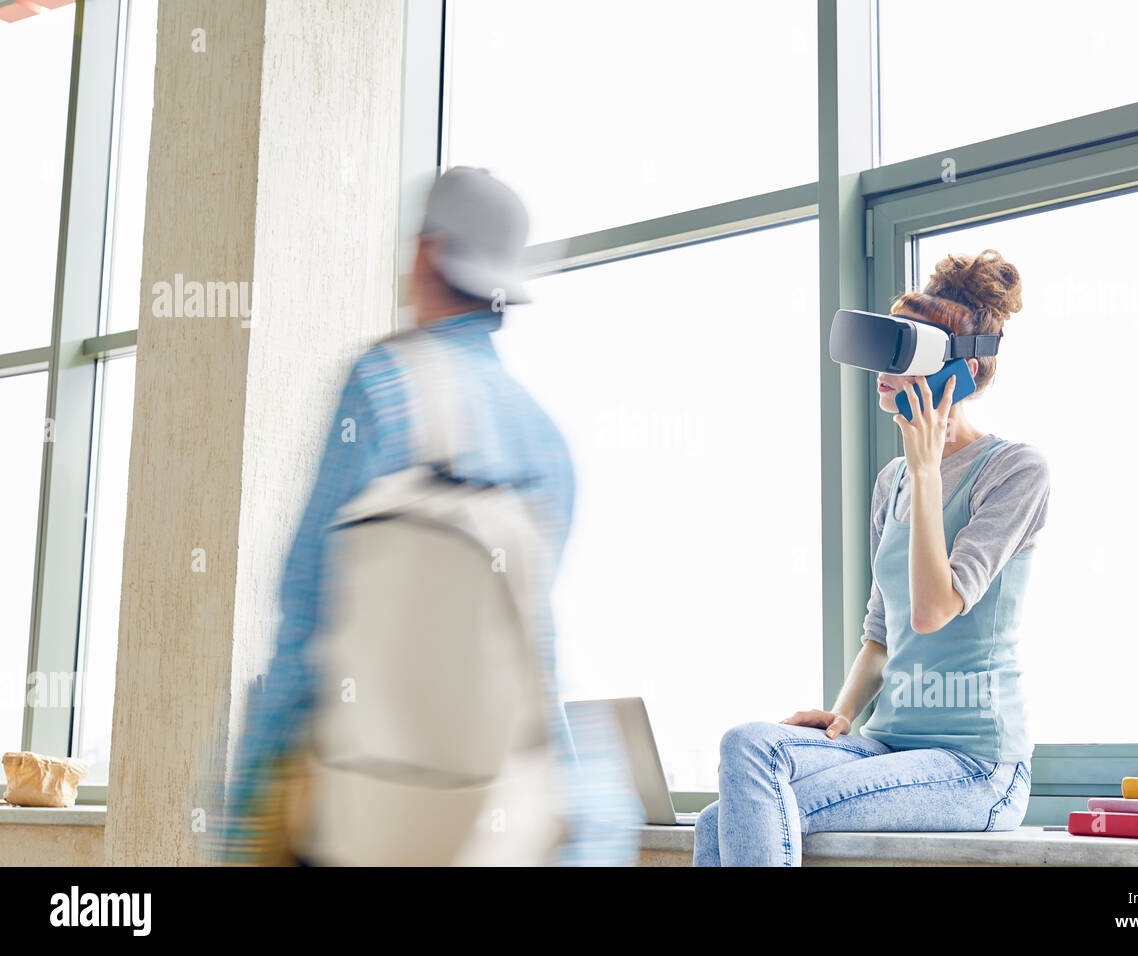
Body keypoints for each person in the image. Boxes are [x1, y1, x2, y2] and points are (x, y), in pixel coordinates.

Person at [214, 166, 641, 866]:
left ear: (426, 254)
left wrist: (244, 816)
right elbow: (526, 645)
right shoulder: (547, 441)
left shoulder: (383, 384)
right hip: (492, 818)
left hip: (367, 804)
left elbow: (307, 612)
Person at [694, 250, 1049, 866]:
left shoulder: (1014, 470)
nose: (879, 370)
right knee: (742, 756)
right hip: (888, 746)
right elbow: (883, 633)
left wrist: (930, 471)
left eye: (901, 351)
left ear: (957, 372)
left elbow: (934, 609)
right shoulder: (893, 482)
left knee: (736, 816)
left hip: (976, 769)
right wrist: (841, 713)